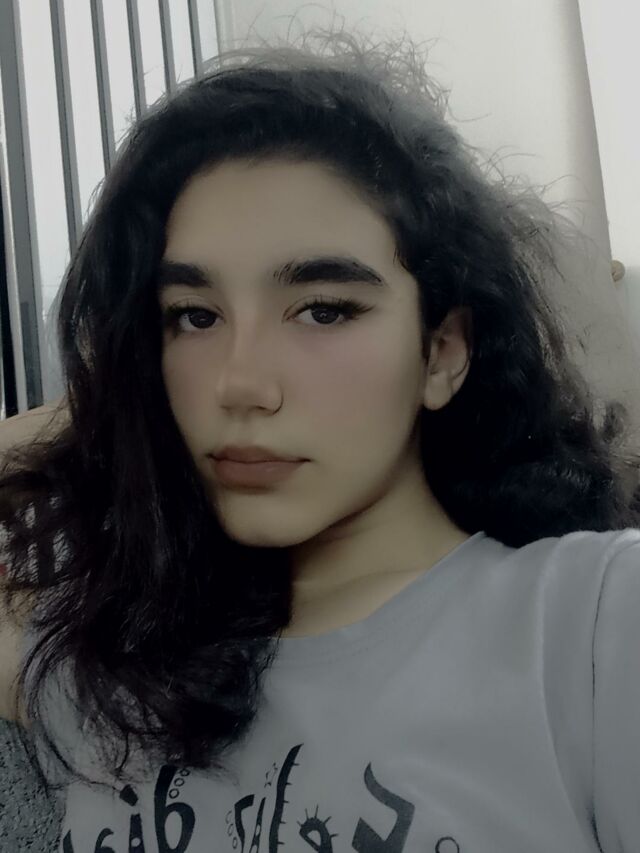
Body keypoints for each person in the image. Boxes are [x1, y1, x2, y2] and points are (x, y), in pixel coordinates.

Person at [0, 24, 639, 853]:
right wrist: (114, 402)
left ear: (442, 352)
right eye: (193, 316)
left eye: (324, 310)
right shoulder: (106, 667)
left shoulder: (593, 621)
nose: (239, 383)